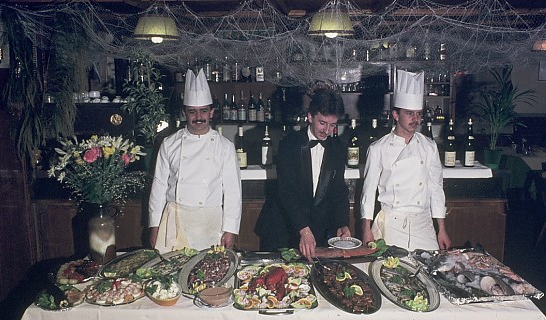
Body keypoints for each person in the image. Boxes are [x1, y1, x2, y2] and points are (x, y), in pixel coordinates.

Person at [149, 69, 242, 252]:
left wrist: (230, 230)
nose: (198, 117)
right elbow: (159, 186)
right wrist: (154, 225)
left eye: (203, 111)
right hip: (174, 222)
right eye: (193, 112)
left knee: (209, 275)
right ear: (184, 114)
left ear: (211, 113)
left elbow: (233, 193)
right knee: (171, 274)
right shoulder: (169, 144)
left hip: (209, 222)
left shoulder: (225, 147)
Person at [255, 88, 351, 261]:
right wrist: (304, 230)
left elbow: (339, 190)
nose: (327, 130)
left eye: (332, 125)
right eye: (322, 123)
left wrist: (342, 223)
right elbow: (286, 191)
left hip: (315, 233)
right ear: (310, 117)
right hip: (281, 229)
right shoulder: (289, 144)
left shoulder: (337, 148)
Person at [360, 70, 451, 251]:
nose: (415, 119)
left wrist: (441, 229)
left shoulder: (429, 147)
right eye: (409, 113)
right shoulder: (378, 148)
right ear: (395, 115)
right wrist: (366, 230)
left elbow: (436, 188)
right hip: (391, 224)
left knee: (430, 273)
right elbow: (368, 193)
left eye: (418, 114)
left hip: (423, 224)